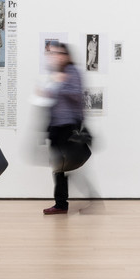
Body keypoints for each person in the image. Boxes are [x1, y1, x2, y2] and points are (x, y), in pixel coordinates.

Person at [44, 42, 86, 215]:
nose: (57, 57)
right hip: (56, 127)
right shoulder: (58, 73)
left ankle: (62, 204)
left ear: (67, 56)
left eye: (61, 54)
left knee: (63, 167)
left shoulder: (72, 72)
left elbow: (77, 95)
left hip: (67, 127)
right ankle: (61, 203)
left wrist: (62, 84)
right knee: (59, 167)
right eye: (56, 54)